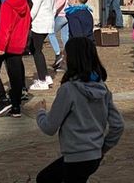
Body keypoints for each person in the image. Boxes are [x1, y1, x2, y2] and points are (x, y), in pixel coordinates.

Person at [34, 37, 124, 183]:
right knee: (47, 177)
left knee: (45, 179)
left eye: (65, 55)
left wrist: (40, 112)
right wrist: (102, 148)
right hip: (93, 156)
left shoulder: (68, 90)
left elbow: (50, 127)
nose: (63, 59)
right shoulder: (102, 87)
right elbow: (118, 125)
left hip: (76, 157)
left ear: (73, 59)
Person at [29, 0, 56, 91]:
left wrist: (27, 20)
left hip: (39, 23)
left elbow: (35, 8)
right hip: (46, 22)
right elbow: (53, 8)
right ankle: (46, 76)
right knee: (36, 49)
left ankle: (42, 80)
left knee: (37, 51)